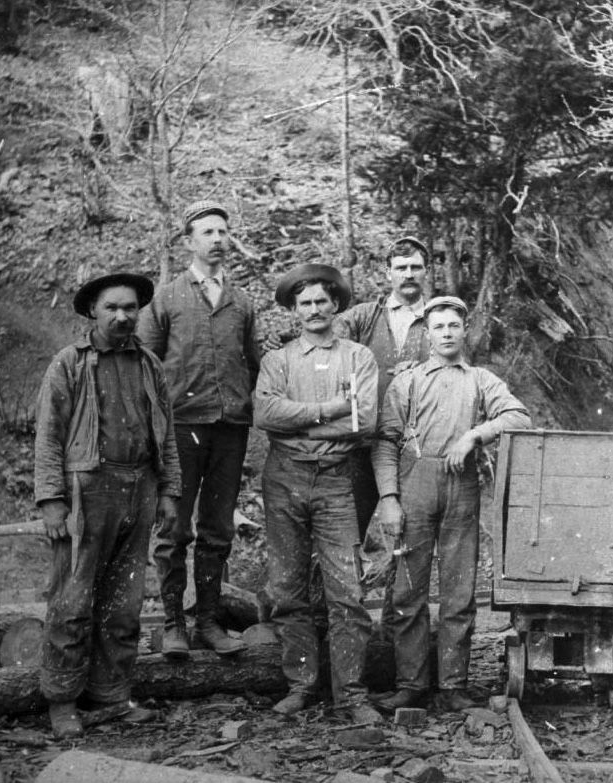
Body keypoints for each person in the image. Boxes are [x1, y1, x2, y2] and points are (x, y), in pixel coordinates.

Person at [34, 272, 181, 739]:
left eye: (130, 308)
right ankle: (62, 700)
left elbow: (168, 433)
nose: (122, 316)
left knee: (124, 603)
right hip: (86, 489)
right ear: (92, 313)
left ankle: (112, 695)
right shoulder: (69, 363)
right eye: (112, 308)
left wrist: (169, 491)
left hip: (139, 487)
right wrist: (51, 499)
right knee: (73, 600)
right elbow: (49, 434)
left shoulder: (149, 364)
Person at [371, 296, 531, 712]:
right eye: (438, 327)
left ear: (464, 332)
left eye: (453, 327)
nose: (446, 334)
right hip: (416, 484)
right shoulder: (407, 382)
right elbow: (386, 442)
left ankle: (453, 686)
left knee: (459, 592)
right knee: (409, 590)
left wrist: (475, 435)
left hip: (461, 486)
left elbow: (519, 416)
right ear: (426, 333)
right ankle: (411, 684)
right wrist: (389, 497)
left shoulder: (480, 380)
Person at [254, 262, 381, 724]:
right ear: (293, 309)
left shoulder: (358, 357)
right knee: (288, 588)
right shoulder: (277, 360)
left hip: (335, 480)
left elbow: (363, 422)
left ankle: (351, 695)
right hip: (284, 477)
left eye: (321, 302)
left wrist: (300, 422)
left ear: (335, 305)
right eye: (304, 303)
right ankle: (300, 686)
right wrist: (329, 411)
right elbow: (266, 414)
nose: (313, 310)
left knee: (346, 591)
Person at [138, 200, 260, 659]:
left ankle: (207, 620)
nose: (216, 240)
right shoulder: (165, 298)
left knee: (217, 528)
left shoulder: (242, 302)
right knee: (172, 528)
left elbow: (253, 364)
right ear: (189, 240)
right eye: (207, 232)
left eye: (222, 232)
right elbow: (145, 367)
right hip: (180, 431)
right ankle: (173, 624)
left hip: (230, 428)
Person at [333, 237, 431, 538]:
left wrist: (422, 371)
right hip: (362, 443)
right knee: (347, 529)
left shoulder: (439, 320)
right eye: (401, 267)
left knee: (411, 534)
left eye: (416, 267)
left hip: (416, 446)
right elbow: (323, 336)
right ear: (388, 272)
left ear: (426, 272)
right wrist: (281, 340)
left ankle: (394, 585)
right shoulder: (365, 316)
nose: (409, 274)